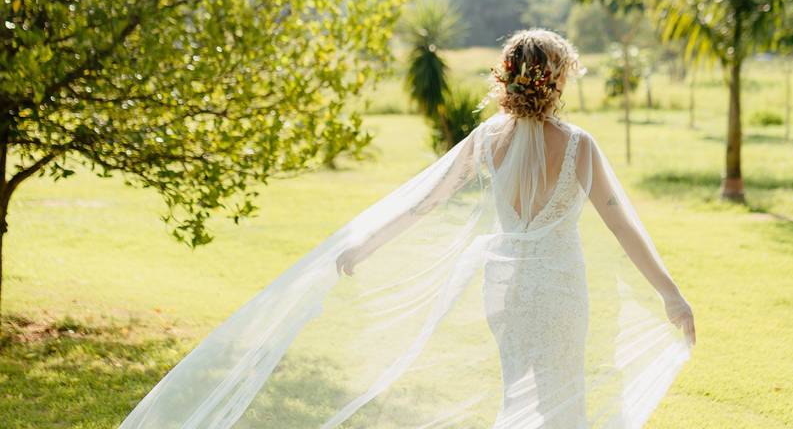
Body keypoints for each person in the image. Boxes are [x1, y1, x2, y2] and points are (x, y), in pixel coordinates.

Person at [120, 28, 694, 429]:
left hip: (505, 288)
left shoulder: (487, 141)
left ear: (510, 78)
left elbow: (424, 202)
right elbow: (621, 226)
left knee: (517, 390)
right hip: (560, 287)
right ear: (557, 81)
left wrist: (365, 243)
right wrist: (670, 294)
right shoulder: (578, 146)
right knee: (558, 403)